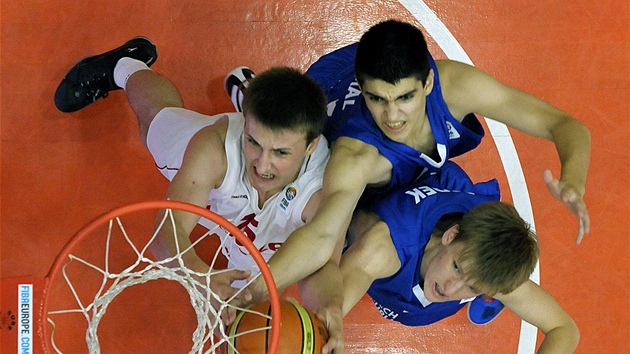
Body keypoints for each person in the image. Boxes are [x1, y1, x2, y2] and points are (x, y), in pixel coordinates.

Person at [237, 19, 590, 352]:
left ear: (428, 83)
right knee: (283, 176)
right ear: (363, 90)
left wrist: (573, 178)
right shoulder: (355, 160)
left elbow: (566, 125)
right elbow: (323, 240)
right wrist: (273, 292)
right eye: (377, 99)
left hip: (431, 188)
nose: (392, 116)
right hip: (329, 123)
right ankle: (256, 102)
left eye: (406, 97)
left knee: (486, 260)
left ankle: (486, 284)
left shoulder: (455, 87)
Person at [53, 37, 330, 301]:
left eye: (281, 152)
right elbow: (166, 231)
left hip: (267, 223)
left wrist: (327, 307)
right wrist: (198, 273)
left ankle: (254, 102)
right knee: (153, 123)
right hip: (219, 177)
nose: (262, 164)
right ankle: (125, 66)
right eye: (253, 142)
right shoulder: (212, 147)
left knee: (255, 300)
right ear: (244, 126)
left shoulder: (322, 189)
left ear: (310, 146)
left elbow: (326, 263)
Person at [337, 161, 579, 353]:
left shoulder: (478, 267)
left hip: (464, 231)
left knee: (487, 271)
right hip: (412, 206)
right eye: (456, 268)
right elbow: (329, 310)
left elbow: (564, 329)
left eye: (472, 288)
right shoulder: (385, 246)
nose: (450, 289)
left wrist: (474, 279)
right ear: (450, 236)